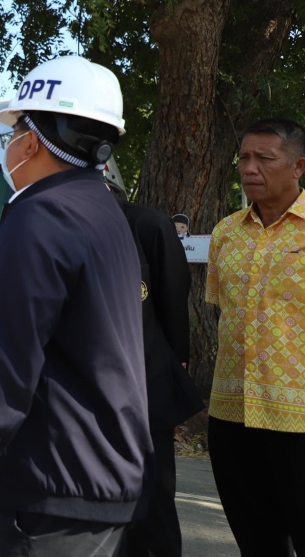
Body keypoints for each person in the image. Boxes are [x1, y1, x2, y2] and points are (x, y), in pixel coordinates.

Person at [0, 55, 150, 557]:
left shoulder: (38, 217)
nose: (11, 145)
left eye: (15, 130)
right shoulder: (103, 211)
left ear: (32, 140)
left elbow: (3, 364)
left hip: (51, 483)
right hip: (99, 474)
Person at [205, 118, 305, 556]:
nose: (250, 168)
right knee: (257, 543)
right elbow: (224, 311)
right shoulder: (226, 232)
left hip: (299, 419)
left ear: (298, 166)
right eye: (244, 157)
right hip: (232, 417)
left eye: (264, 158)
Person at [106, 180, 205, 557]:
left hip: (146, 382)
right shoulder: (44, 220)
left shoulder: (147, 225)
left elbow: (172, 301)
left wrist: (172, 367)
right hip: (77, 396)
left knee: (152, 504)